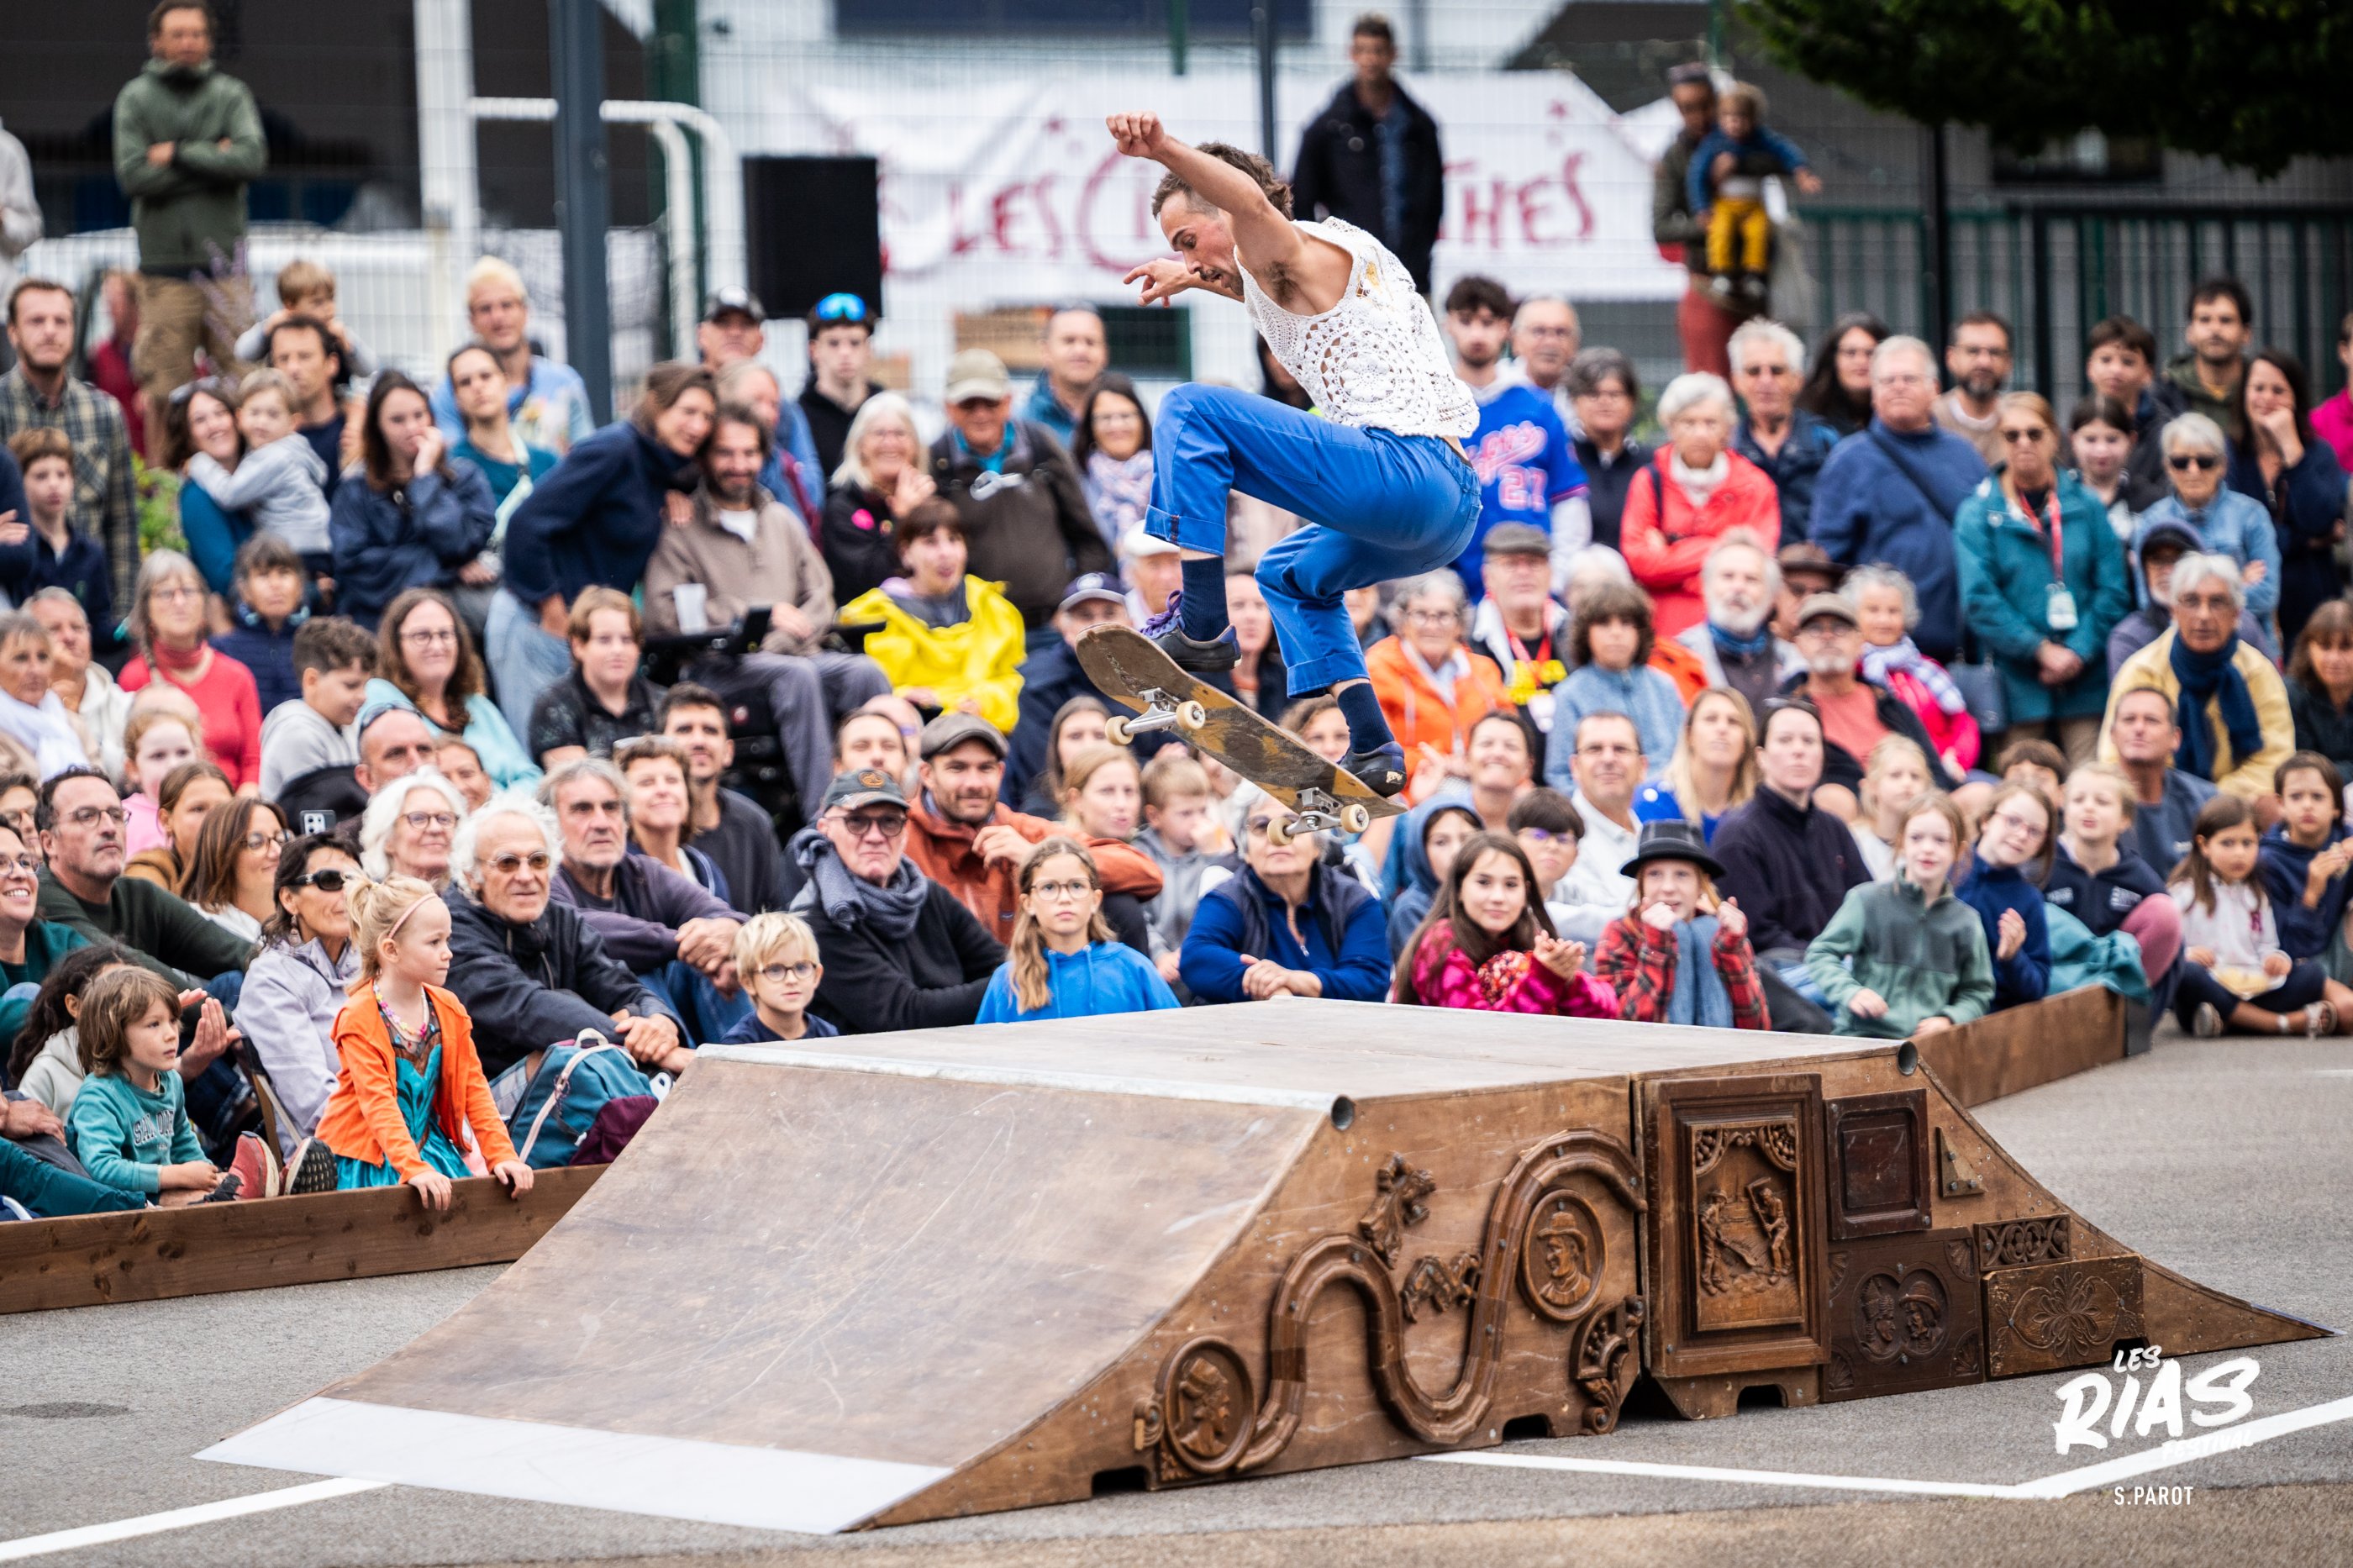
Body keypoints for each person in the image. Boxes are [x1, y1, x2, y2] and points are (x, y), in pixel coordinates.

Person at [1113, 116, 1482, 794]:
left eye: (1189, 239)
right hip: (1449, 510)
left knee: (1190, 409)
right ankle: (1374, 747)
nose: (1189, 258)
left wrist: (1162, 149)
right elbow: (1261, 284)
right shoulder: (1326, 257)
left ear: (1225, 210)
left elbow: (1252, 209)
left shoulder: (1283, 241)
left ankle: (1202, 622)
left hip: (1400, 472)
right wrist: (1198, 277)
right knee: (1286, 573)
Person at [642, 401, 891, 798]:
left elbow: (820, 595)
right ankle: (826, 810)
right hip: (720, 665)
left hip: (796, 653)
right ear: (704, 459)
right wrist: (756, 620)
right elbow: (664, 612)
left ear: (764, 457)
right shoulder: (682, 528)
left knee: (865, 673)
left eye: (749, 453)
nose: (739, 464)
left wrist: (784, 636)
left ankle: (880, 795)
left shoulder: (782, 521)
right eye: (726, 453)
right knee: (797, 677)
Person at [493, 363, 716, 739]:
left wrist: (667, 495)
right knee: (544, 754)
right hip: (536, 623)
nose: (698, 426)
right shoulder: (614, 449)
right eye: (688, 411)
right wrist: (554, 612)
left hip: (584, 635)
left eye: (708, 417)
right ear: (657, 405)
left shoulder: (657, 468)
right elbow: (526, 524)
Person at [309, 874, 533, 1205]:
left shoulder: (448, 1008)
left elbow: (475, 1090)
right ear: (391, 949)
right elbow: (378, 1103)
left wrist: (502, 1155)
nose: (448, 953)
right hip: (368, 1157)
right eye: (434, 942)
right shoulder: (359, 1016)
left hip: (428, 1149)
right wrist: (412, 1167)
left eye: (448, 940)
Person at [440, 794, 684, 1078]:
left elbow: (622, 987)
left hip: (579, 1074)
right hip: (485, 1092)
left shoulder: (561, 920)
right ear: (472, 875)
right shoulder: (451, 928)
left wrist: (659, 1021)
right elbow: (528, 1008)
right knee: (558, 1058)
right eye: (507, 863)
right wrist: (640, 1043)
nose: (526, 876)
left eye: (538, 860)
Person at [1954, 393, 2131, 764]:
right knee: (2022, 785)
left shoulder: (2087, 505)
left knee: (2093, 784)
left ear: (2055, 437)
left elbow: (2114, 590)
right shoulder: (1978, 513)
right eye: (2012, 435)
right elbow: (1979, 600)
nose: (2024, 443)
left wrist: (2077, 651)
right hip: (2017, 683)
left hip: (2086, 680)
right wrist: (2040, 650)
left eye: (2034, 434)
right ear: (1999, 441)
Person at [109, 2, 263, 421]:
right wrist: (214, 160)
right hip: (164, 273)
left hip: (226, 272)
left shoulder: (231, 94)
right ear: (155, 42)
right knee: (164, 397)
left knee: (244, 384)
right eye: (177, 34)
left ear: (209, 40)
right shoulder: (135, 98)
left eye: (196, 33)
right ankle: (165, 468)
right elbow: (134, 177)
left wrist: (176, 154)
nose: (188, 42)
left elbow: (250, 159)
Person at [904, 712, 1161, 950]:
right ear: (927, 774)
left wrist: (1039, 859)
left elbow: (1145, 871)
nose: (974, 783)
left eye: (985, 768)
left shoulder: (1020, 829)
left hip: (1026, 977)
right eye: (957, 768)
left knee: (1120, 906)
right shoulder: (900, 835)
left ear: (1000, 772)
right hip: (938, 978)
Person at [1809, 335, 1988, 662]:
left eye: (1909, 379)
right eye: (1888, 380)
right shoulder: (1848, 461)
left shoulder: (1965, 456)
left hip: (1960, 647)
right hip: (1879, 648)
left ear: (1935, 389)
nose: (1898, 387)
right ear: (1874, 393)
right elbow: (1827, 559)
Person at [544, 759, 747, 1045]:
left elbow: (723, 914)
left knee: (715, 959)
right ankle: (682, 1070)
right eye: (582, 809)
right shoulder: (541, 878)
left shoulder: (643, 873)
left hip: (655, 1016)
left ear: (626, 820)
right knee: (640, 970)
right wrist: (683, 943)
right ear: (550, 826)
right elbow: (578, 929)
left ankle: (750, 1061)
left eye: (611, 808)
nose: (601, 823)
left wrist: (727, 931)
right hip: (587, 1025)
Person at [791, 766, 1004, 1034]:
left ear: (904, 832)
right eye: (856, 822)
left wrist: (1018, 977)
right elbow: (905, 1016)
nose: (875, 837)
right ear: (825, 830)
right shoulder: (817, 921)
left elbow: (998, 962)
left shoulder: (928, 894)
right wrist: (1011, 984)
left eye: (889, 822)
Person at [1711, 697, 1867, 1030]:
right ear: (1761, 757)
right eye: (1785, 740)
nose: (1799, 751)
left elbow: (1869, 909)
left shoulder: (1835, 829)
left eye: (1809, 741)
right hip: (1783, 978)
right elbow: (1759, 937)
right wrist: (1832, 961)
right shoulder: (1738, 836)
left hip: (1843, 968)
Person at [929, 347, 1113, 629]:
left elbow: (1087, 535)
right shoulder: (938, 462)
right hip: (977, 630)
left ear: (1007, 402)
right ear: (949, 408)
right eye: (968, 405)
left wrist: (1073, 603)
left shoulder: (1040, 446)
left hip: (1053, 625)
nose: (980, 414)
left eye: (990, 403)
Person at [2100, 555, 2292, 799]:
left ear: (2236, 613)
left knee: (2270, 806)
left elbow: (2275, 760)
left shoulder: (2257, 672)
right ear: (2174, 610)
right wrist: (2176, 802)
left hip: (2234, 807)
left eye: (2217, 602)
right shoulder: (2142, 670)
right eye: (2191, 601)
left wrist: (2210, 800)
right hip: (2156, 801)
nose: (2203, 615)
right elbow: (2112, 757)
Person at [1805, 792, 1994, 1038]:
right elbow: (1821, 953)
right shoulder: (1866, 900)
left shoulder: (1967, 922)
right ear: (1902, 842)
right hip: (1862, 1038)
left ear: (1958, 850)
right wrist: (1851, 992)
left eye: (1940, 840)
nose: (1927, 849)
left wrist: (1950, 1018)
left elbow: (1978, 991)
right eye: (1916, 838)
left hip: (1926, 1046)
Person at [0, 280, 139, 611]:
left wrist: (124, 616)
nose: (50, 331)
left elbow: (122, 521)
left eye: (61, 321)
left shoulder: (104, 412)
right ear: (13, 332)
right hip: (12, 605)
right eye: (37, 321)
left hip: (88, 606)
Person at [1443, 276, 1588, 592]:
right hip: (1451, 577)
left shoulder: (1539, 406)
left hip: (1530, 570)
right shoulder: (1432, 404)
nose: (1477, 334)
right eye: (1466, 321)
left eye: (1488, 322)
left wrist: (1557, 577)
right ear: (1448, 324)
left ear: (1506, 329)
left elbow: (1568, 500)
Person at [2170, 793, 2353, 1037]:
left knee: (2311, 975)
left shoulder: (2257, 894)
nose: (2239, 853)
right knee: (2188, 974)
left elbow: (2267, 945)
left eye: (2247, 843)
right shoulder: (2184, 893)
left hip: (2252, 986)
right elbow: (2167, 950)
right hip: (2209, 985)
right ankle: (2279, 1023)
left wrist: (2275, 959)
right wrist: (2188, 953)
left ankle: (2229, 1021)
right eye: (2227, 843)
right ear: (2204, 846)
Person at [328, 371, 498, 634]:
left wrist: (425, 478)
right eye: (397, 420)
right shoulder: (355, 490)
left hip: (452, 620)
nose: (412, 428)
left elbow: (461, 544)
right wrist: (448, 570)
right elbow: (356, 566)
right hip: (378, 623)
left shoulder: (464, 477)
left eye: (419, 415)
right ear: (377, 427)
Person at [1288, 13, 1444, 296]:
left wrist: (1419, 255)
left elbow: (1432, 202)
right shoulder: (1329, 127)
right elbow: (1303, 200)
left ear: (1393, 54)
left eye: (1378, 51)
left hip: (1410, 275)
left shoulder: (1418, 126)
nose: (1370, 59)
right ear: (1352, 54)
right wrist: (1325, 260)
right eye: (1363, 50)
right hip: (1350, 277)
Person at [840, 501, 1025, 734]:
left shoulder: (993, 607)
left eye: (954, 539)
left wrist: (983, 702)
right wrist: (902, 697)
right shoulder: (872, 616)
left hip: (983, 733)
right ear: (906, 554)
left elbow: (1010, 680)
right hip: (910, 736)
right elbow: (869, 690)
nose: (946, 553)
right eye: (930, 542)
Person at [1180, 797, 1389, 1005]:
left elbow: (1371, 978)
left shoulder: (1353, 899)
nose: (1278, 838)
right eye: (1262, 827)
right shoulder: (1229, 897)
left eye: (1294, 825)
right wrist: (1269, 986)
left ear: (1317, 846)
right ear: (1246, 850)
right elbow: (1196, 957)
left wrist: (1296, 981)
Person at [1620, 372, 1780, 639]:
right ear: (1670, 427)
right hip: (1661, 626)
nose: (1700, 433)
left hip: (1734, 623)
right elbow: (1641, 563)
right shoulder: (1649, 480)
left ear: (1727, 429)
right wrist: (1722, 547)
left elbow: (1756, 564)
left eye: (1711, 423)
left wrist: (1672, 553)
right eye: (1689, 423)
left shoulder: (1755, 485)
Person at [1395, 831, 1614, 1017]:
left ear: (1526, 892)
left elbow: (1606, 1013)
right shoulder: (1439, 942)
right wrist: (1544, 977)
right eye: (1484, 882)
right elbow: (1479, 1032)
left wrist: (1567, 980)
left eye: (1511, 885)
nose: (1498, 897)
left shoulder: (1532, 938)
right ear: (1460, 889)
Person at [234, 833, 360, 1155]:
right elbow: (316, 1104)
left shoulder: (377, 964)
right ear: (290, 899)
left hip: (406, 1142)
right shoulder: (271, 980)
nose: (348, 892)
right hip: (336, 1156)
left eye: (356, 880)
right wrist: (400, 1136)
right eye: (330, 880)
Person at [67, 966, 235, 1204]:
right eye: (154, 1024)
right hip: (119, 1204)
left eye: (173, 1020)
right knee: (211, 1203)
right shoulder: (99, 1095)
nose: (171, 1034)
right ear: (115, 1031)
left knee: (232, 1191)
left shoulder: (170, 1080)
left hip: (160, 1193)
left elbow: (182, 1142)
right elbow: (102, 1168)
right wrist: (174, 1175)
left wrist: (208, 1174)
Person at [976, 838, 1178, 1023]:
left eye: (1076, 886)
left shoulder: (1134, 967)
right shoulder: (1007, 981)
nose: (1065, 898)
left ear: (1095, 900)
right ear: (1028, 903)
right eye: (1049, 887)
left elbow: (1176, 1036)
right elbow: (984, 1049)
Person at [1592, 818, 1767, 1028]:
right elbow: (1622, 1025)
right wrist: (1657, 949)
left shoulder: (1722, 931)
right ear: (1642, 884)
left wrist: (1731, 951)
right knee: (1682, 934)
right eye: (1655, 874)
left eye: (1682, 875)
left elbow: (1757, 1027)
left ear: (1701, 885)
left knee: (1705, 930)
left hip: (1721, 1044)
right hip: (1654, 1046)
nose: (1668, 888)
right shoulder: (1621, 931)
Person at [1784, 592, 1960, 797]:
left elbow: (1935, 772)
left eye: (1840, 628)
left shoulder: (1887, 702)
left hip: (1907, 804)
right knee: (1832, 797)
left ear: (1860, 641)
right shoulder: (1787, 708)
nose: (1828, 637)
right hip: (1830, 809)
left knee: (1978, 793)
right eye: (1815, 629)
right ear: (1798, 643)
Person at [2229, 350, 2349, 649]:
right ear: (2244, 395)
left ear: (2296, 398)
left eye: (2278, 390)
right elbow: (2235, 535)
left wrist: (2291, 449)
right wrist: (2304, 541)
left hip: (2311, 608)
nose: (2267, 398)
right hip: (2249, 609)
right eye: (2258, 388)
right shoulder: (2229, 456)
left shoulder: (2318, 454)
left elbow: (2319, 520)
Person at [367, 587, 539, 792]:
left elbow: (531, 777)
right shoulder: (381, 698)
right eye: (422, 636)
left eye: (445, 634)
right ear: (396, 645)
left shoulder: (478, 706)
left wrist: (495, 803)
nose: (437, 646)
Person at [118, 551, 261, 790]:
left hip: (235, 802)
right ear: (146, 608)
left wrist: (243, 802)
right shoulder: (134, 678)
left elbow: (253, 760)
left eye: (188, 591)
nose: (179, 602)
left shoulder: (238, 675)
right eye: (166, 593)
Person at [1366, 571, 1512, 800]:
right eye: (1421, 615)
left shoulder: (1484, 670)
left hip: (1482, 784)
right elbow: (1375, 754)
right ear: (1401, 620)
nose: (1432, 625)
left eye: (1443, 615)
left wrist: (1474, 763)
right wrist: (1442, 761)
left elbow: (1512, 736)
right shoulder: (1378, 669)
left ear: (1460, 624)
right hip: (1408, 792)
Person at [427, 257, 593, 456]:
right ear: (471, 320)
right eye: (485, 309)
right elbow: (453, 461)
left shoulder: (564, 383)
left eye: (507, 305)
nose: (498, 317)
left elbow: (588, 458)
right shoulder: (454, 389)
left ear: (525, 311)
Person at [2134, 412, 2280, 632]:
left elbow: (2267, 594)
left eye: (2205, 462)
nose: (2193, 471)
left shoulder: (2252, 515)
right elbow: (2149, 602)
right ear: (2167, 467)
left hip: (2245, 641)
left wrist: (2183, 599)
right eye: (2181, 462)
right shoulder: (2151, 523)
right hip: (2174, 645)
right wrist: (2234, 586)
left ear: (2223, 465)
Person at [2045, 763, 2182, 994]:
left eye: (2102, 802)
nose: (2089, 808)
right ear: (2064, 810)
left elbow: (2170, 943)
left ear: (2125, 819)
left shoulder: (2136, 873)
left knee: (2165, 912)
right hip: (2055, 984)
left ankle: (2125, 1005)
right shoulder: (2044, 864)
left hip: (2117, 988)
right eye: (2078, 800)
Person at [182, 367, 333, 576]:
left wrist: (199, 463)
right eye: (255, 413)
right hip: (312, 546)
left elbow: (229, 494)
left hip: (296, 549)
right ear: (240, 417)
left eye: (273, 415)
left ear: (293, 422)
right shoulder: (292, 451)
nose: (262, 422)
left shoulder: (274, 457)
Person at [1686, 82, 1819, 308]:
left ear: (1753, 119)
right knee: (1721, 231)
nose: (1735, 124)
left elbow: (1785, 150)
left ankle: (1754, 274)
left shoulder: (1761, 139)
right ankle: (1722, 272)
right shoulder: (1715, 142)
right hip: (1725, 203)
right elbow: (1696, 174)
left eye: (1741, 118)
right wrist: (1702, 208)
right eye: (1729, 117)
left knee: (1758, 233)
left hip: (1753, 204)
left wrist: (1801, 172)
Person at [657, 685, 787, 917]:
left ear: (729, 752)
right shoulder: (643, 824)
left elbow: (775, 915)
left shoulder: (755, 823)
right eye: (684, 730)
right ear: (659, 747)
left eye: (710, 730)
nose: (699, 741)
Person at [1650, 64, 1739, 376]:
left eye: (1705, 105)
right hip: (1708, 284)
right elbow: (1661, 227)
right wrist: (1706, 225)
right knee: (1708, 382)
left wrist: (1743, 164)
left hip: (1758, 280)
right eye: (1688, 109)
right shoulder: (1674, 157)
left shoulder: (1743, 140)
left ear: (1717, 101)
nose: (1699, 116)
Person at [1548, 581, 1682, 780]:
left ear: (1641, 632)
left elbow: (1686, 757)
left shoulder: (1664, 687)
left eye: (1626, 623)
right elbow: (1559, 774)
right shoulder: (1569, 695)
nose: (1616, 633)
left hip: (1667, 794)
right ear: (1586, 633)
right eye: (1604, 624)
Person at [821, 392, 938, 609]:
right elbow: (872, 581)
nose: (890, 443)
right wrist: (902, 518)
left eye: (900, 433)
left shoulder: (930, 501)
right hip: (868, 624)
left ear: (915, 446)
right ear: (860, 445)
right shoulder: (842, 507)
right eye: (879, 433)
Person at [527, 587, 663, 770]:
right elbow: (576, 780)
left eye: (627, 639)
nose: (618, 650)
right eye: (604, 640)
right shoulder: (553, 705)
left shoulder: (661, 701)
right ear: (578, 646)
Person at [1730, 319, 1840, 543]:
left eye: (1777, 371)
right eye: (1753, 371)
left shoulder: (1826, 441)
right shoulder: (1726, 446)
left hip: (1812, 563)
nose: (1765, 381)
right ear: (1737, 381)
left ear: (1797, 380)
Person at [3, 429, 115, 647]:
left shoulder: (90, 552)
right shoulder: (16, 551)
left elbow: (99, 627)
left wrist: (126, 630)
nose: (54, 484)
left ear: (73, 479)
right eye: (41, 476)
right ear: (19, 481)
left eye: (62, 474)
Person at [1674, 534, 1803, 718]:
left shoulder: (1795, 664)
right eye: (1728, 576)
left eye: (1751, 579)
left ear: (1772, 596)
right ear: (1705, 586)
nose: (1738, 587)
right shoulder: (1680, 656)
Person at [1956, 781, 2056, 1011]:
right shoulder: (1947, 868)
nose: (2022, 835)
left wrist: (2012, 957)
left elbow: (2037, 987)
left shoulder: (2028, 899)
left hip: (1987, 1015)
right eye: (2013, 821)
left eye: (2034, 831)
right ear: (1986, 820)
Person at [1466, 524, 1573, 735]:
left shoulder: (1576, 630)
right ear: (1488, 576)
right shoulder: (1467, 636)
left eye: (1534, 563)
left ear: (1550, 573)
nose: (1524, 573)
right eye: (1511, 564)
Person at [1135, 750, 1230, 983]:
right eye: (1185, 813)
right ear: (1154, 816)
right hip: (1157, 968)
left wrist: (1215, 857)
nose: (1198, 821)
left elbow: (1225, 902)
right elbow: (1139, 917)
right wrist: (1160, 954)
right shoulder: (1140, 854)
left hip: (1202, 965)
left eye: (1203, 810)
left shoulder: (1213, 851)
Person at [257, 615, 373, 803]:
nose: (363, 696)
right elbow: (326, 809)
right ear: (312, 681)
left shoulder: (346, 726)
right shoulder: (297, 734)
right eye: (351, 685)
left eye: (365, 685)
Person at [1550, 712, 1646, 936]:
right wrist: (1643, 920)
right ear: (1574, 766)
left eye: (1621, 749)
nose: (1608, 759)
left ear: (1643, 767)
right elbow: (1542, 915)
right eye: (1594, 749)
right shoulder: (1553, 837)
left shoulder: (1653, 837)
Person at [7, 942, 122, 1122]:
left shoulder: (146, 1060)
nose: (125, 1003)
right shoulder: (46, 1071)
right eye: (110, 994)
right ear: (75, 1006)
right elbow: (26, 1135)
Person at [2256, 751, 2353, 961]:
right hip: (2301, 964)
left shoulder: (2346, 838)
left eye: (2317, 797)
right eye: (2296, 796)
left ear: (2337, 807)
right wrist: (2311, 896)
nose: (2307, 805)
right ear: (2281, 804)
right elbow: (2287, 951)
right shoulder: (2268, 861)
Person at [445, 341, 556, 522]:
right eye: (465, 382)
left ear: (505, 382)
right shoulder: (450, 469)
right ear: (456, 398)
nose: (477, 386)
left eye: (486, 376)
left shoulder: (547, 463)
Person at [2085, 315, 2184, 510]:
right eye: (2105, 360)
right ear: (2090, 368)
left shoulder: (2167, 431)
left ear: (2148, 373)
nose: (2115, 370)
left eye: (2128, 362)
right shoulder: (2077, 425)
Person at [203, 536, 306, 722]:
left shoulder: (316, 645)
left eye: (284, 573)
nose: (275, 585)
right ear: (244, 590)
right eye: (263, 575)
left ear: (299, 586)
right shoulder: (222, 650)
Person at [29, 591, 129, 784]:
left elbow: (133, 775)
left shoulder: (123, 704)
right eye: (53, 629)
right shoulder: (11, 709)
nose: (69, 637)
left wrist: (74, 719)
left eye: (77, 628)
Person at [1635, 687, 1758, 843]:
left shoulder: (1759, 811)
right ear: (1689, 735)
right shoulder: (1653, 801)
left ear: (1746, 742)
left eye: (1733, 722)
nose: (1722, 729)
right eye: (1711, 719)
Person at [614, 735, 727, 902]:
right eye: (647, 782)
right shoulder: (614, 873)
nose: (663, 790)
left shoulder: (705, 868)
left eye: (672, 780)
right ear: (622, 801)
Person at [1565, 349, 1646, 557]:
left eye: (1615, 394)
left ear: (1632, 401)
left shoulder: (1651, 465)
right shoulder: (1563, 459)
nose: (1605, 402)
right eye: (1593, 394)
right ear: (1574, 401)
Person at [717, 910, 834, 1045]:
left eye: (801, 967)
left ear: (816, 975)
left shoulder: (828, 1035)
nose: (792, 980)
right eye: (775, 970)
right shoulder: (739, 1045)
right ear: (748, 982)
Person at [798, 293, 882, 481]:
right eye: (833, 343)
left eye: (855, 343)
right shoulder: (799, 417)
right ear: (813, 350)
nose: (845, 352)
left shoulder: (885, 411)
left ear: (869, 349)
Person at [177, 794, 283, 942]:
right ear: (222, 854)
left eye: (281, 839)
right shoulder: (201, 927)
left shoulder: (300, 920)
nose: (277, 851)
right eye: (256, 842)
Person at [1383, 800, 1480, 960]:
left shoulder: (1492, 896)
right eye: (1441, 842)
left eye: (1466, 839)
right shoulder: (1412, 908)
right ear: (1421, 851)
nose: (1456, 851)